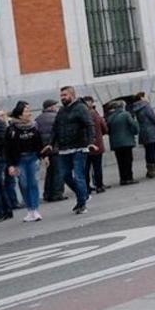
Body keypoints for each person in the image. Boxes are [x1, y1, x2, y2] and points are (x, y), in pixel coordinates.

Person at [52, 86, 95, 215]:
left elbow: (89, 124)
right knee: (65, 175)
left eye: (64, 95)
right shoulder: (61, 111)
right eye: (61, 96)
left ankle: (82, 203)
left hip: (79, 147)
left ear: (72, 95)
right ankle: (83, 195)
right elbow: (55, 127)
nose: (62, 98)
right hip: (64, 148)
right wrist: (51, 143)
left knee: (79, 176)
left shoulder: (81, 108)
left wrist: (90, 142)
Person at [5, 101, 45, 222]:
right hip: (20, 160)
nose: (29, 113)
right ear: (19, 115)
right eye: (26, 111)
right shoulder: (12, 129)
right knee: (24, 184)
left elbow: (39, 143)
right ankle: (29, 210)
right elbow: (7, 148)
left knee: (33, 183)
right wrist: (11, 165)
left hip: (33, 158)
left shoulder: (34, 126)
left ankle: (35, 209)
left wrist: (44, 156)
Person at [35, 100, 65, 202]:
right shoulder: (56, 117)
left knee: (50, 172)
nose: (56, 108)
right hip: (56, 148)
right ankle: (57, 193)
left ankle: (47, 194)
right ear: (51, 107)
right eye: (55, 106)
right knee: (59, 171)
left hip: (45, 150)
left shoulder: (37, 119)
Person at [131, 93, 155, 178]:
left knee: (148, 151)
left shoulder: (136, 107)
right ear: (142, 98)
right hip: (151, 130)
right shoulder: (146, 106)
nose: (147, 98)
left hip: (143, 130)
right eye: (145, 96)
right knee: (152, 151)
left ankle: (149, 170)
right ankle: (153, 170)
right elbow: (153, 117)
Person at [83, 97, 109, 193]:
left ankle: (86, 187)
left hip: (85, 145)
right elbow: (104, 128)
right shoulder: (96, 114)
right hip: (97, 145)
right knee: (97, 167)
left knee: (86, 168)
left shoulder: (80, 115)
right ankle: (99, 185)